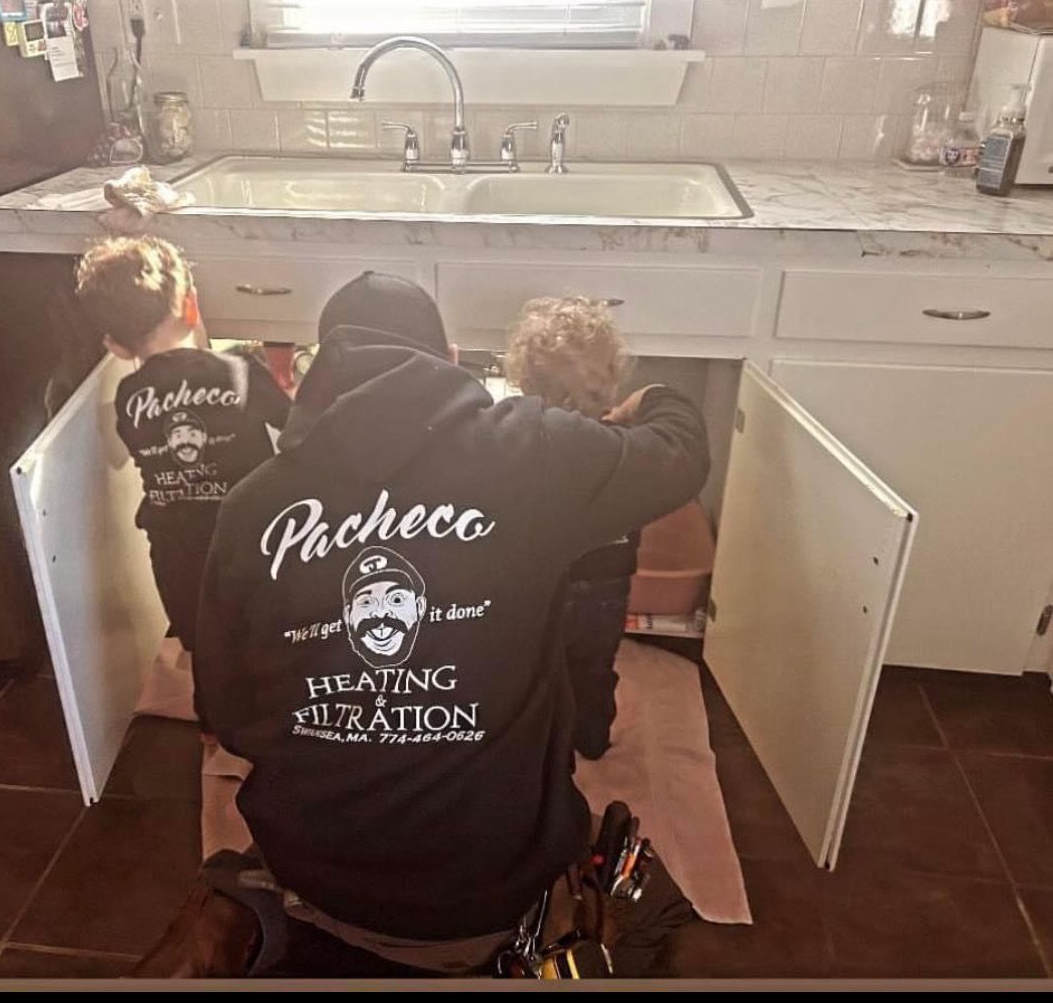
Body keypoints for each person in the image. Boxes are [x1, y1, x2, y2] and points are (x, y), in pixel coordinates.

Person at [162, 271, 709, 977]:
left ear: (314, 370)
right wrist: (650, 399)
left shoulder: (251, 506)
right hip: (487, 890)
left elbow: (229, 715)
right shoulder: (535, 452)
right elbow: (680, 453)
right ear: (450, 359)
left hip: (314, 873)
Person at [74, 237, 291, 717]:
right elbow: (296, 428)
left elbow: (140, 450)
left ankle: (212, 728)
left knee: (204, 647)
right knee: (264, 631)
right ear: (191, 307)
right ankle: (273, 716)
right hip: (251, 540)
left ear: (114, 345)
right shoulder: (240, 369)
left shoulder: (129, 397)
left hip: (176, 551)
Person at [505, 295, 638, 761]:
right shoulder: (626, 445)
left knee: (535, 669)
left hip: (540, 585)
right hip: (607, 585)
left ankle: (542, 746)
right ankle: (591, 737)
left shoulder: (519, 444)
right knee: (595, 668)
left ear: (526, 382)